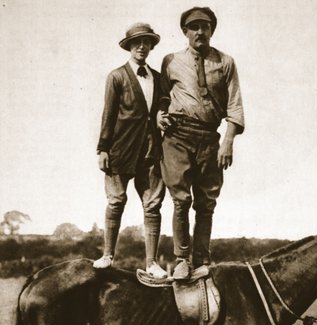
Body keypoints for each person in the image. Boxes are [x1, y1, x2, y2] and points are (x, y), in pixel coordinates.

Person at [157, 6, 245, 280]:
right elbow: (161, 97)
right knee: (181, 199)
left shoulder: (226, 62)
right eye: (194, 27)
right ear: (185, 31)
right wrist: (160, 115)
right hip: (178, 136)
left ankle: (202, 259)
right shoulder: (170, 60)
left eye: (205, 26)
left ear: (211, 31)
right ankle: (182, 259)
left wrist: (228, 141)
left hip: (209, 138)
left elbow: (234, 105)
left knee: (206, 203)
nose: (199, 31)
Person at [94, 22, 167, 279]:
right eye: (137, 42)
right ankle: (107, 255)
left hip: (150, 151)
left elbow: (162, 106)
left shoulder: (158, 78)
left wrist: (161, 115)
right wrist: (103, 149)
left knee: (153, 204)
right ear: (129, 47)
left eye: (146, 42)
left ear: (151, 46)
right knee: (116, 201)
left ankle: (151, 263)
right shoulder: (116, 76)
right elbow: (109, 114)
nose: (142, 47)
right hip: (120, 149)